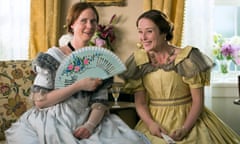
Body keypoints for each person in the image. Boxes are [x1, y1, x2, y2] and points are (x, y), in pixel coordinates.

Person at [4, 2, 150, 144]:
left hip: (87, 118)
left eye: (93, 21)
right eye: (83, 21)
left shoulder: (98, 61)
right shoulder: (53, 57)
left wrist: (90, 126)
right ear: (72, 25)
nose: (89, 26)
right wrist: (78, 85)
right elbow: (40, 102)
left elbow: (100, 102)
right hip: (53, 118)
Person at [119, 9, 240, 144]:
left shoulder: (187, 58)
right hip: (153, 123)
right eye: (140, 31)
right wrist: (151, 124)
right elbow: (140, 103)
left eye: (149, 31)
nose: (143, 37)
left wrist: (185, 128)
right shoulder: (139, 61)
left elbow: (198, 101)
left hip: (189, 121)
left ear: (164, 32)